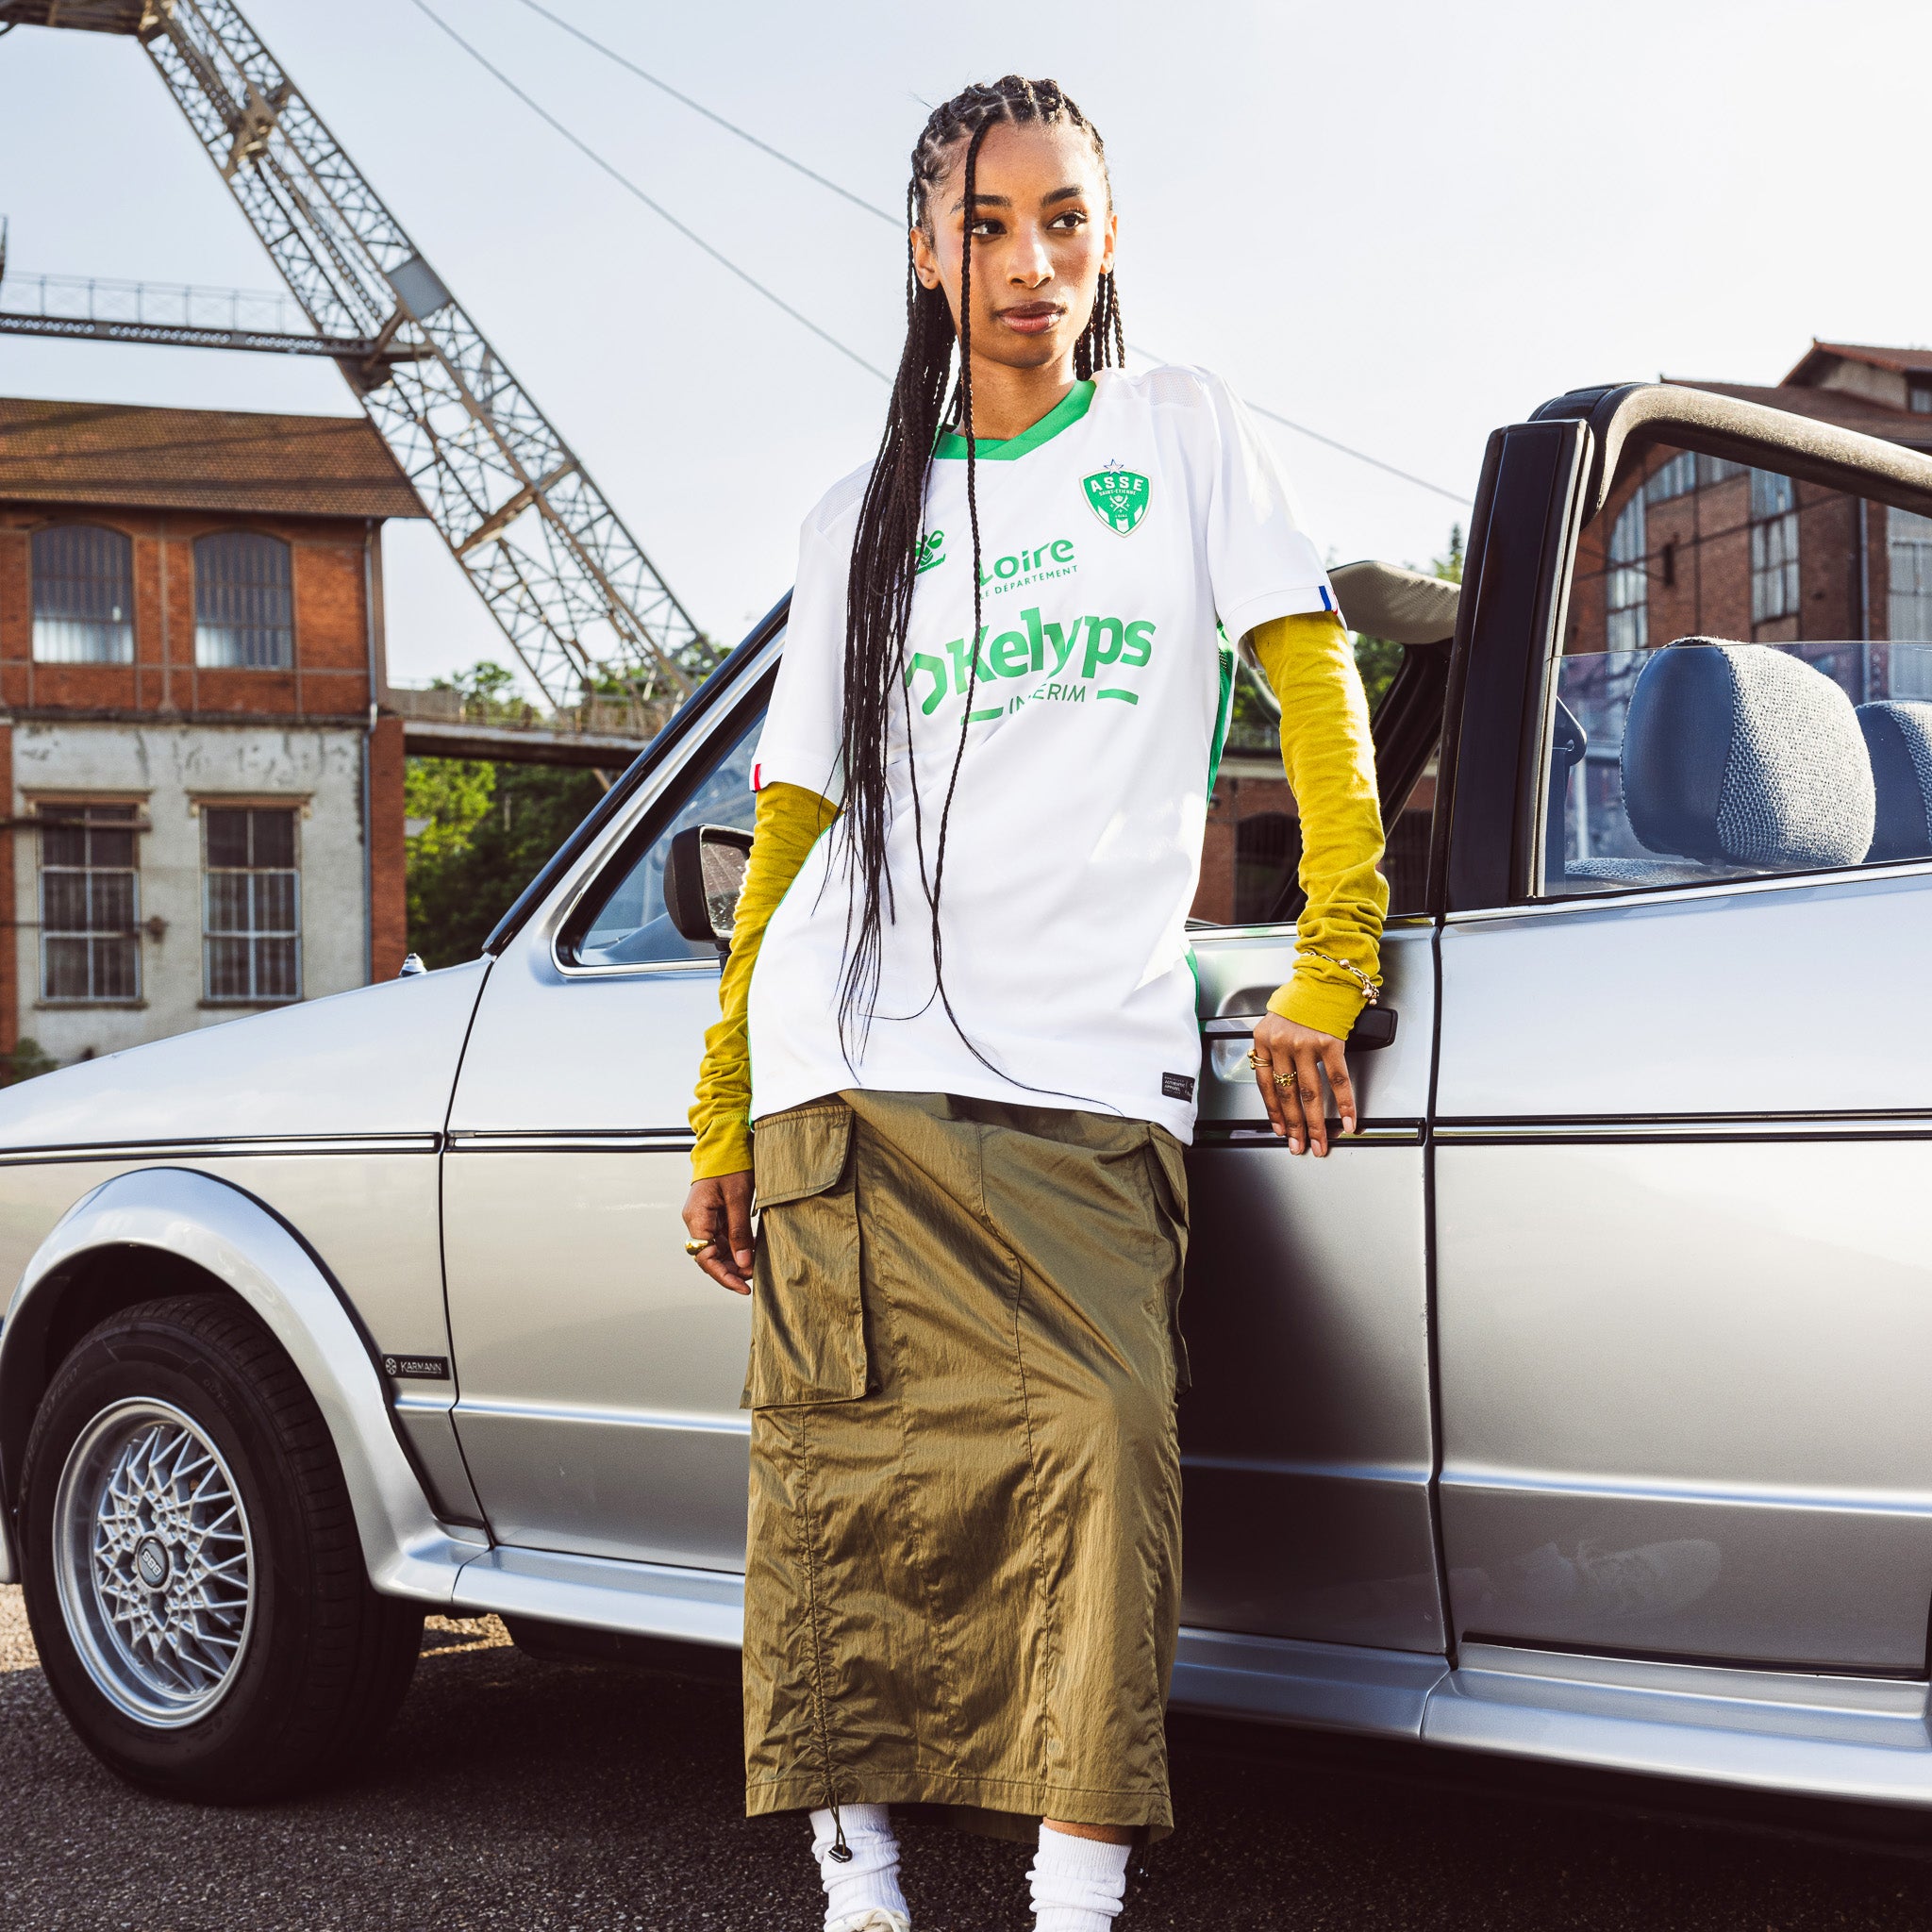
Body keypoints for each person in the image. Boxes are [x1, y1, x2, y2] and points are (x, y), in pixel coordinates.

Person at [682, 74, 1386, 1932]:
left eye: (1062, 219)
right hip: (845, 1065)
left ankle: (1073, 1906)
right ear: (925, 255)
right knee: (840, 1489)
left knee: (1106, 1448)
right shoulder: (861, 512)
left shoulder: (1182, 431)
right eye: (985, 226)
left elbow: (1313, 684)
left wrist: (1332, 955)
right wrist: (722, 1098)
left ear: (1108, 238)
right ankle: (860, 1887)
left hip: (1090, 1069)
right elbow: (791, 825)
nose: (1027, 261)